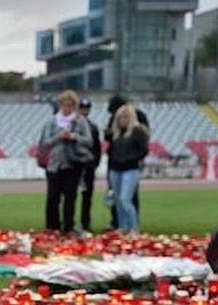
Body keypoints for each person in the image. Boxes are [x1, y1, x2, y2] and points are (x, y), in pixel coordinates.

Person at [38, 90, 94, 235]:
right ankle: (52, 226)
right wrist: (59, 136)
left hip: (73, 163)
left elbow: (88, 141)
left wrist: (73, 136)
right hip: (54, 165)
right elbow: (45, 142)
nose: (67, 108)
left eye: (70, 105)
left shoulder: (80, 121)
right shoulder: (51, 122)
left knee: (70, 197)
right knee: (53, 197)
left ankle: (68, 226)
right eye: (64, 105)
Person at [105, 95, 150, 230]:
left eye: (124, 118)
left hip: (130, 168)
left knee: (125, 199)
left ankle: (134, 226)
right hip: (115, 168)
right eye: (120, 118)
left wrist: (132, 159)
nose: (122, 120)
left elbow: (143, 150)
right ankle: (121, 226)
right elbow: (110, 147)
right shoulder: (116, 133)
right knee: (118, 200)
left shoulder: (137, 131)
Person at [76, 98, 101, 234]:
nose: (84, 111)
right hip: (75, 164)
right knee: (71, 196)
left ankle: (85, 222)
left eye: (86, 109)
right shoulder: (72, 125)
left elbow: (96, 148)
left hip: (88, 165)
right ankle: (70, 223)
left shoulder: (93, 127)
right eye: (82, 108)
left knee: (87, 196)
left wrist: (94, 163)